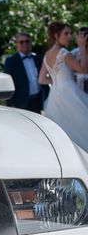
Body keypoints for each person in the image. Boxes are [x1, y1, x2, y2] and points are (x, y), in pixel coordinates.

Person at [39, 22, 88, 151]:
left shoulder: (47, 54)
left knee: (66, 129)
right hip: (69, 92)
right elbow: (82, 70)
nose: (70, 36)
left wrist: (57, 79)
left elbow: (42, 79)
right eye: (66, 33)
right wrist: (82, 47)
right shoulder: (63, 53)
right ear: (56, 35)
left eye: (70, 33)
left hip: (55, 94)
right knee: (81, 125)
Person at [4, 32, 45, 113]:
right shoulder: (11, 61)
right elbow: (8, 83)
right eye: (21, 42)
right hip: (21, 103)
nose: (24, 44)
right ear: (17, 44)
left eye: (27, 41)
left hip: (38, 100)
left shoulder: (38, 59)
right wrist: (10, 104)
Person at [71, 26, 88, 93]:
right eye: (81, 36)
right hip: (77, 87)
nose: (84, 39)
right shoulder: (73, 53)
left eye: (85, 36)